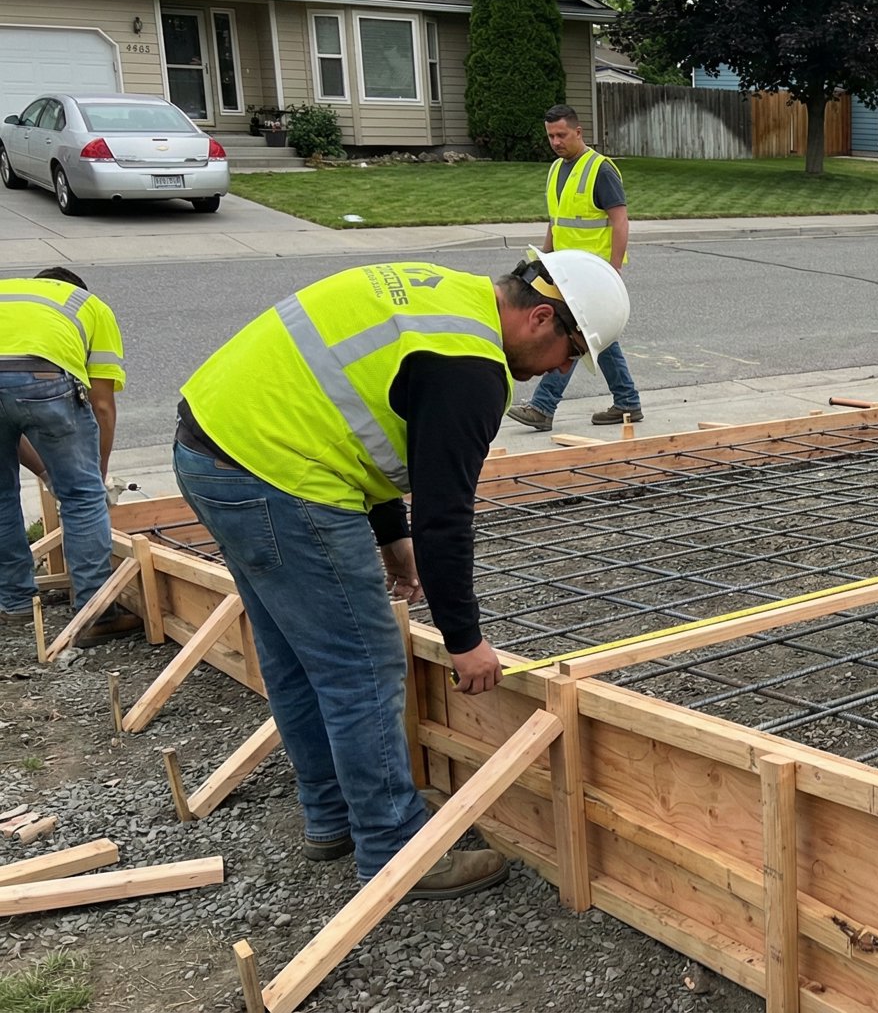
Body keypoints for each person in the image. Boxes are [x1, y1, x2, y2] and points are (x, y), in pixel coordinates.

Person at [172, 251, 629, 897]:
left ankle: (332, 817)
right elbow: (447, 516)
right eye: (568, 352)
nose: (558, 370)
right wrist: (464, 638)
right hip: (277, 473)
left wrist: (392, 537)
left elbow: (353, 415)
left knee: (300, 655)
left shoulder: (446, 298)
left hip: (213, 446)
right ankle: (395, 849)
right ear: (542, 316)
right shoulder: (473, 368)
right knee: (362, 664)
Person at [0, 266, 141, 645]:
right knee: (82, 497)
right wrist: (98, 475)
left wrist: (47, 472)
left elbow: (9, 419)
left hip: (20, 381)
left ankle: (14, 603)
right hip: (41, 379)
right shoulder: (89, 305)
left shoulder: (9, 295)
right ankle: (94, 613)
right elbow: (102, 405)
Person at [505, 104, 642, 433]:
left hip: (592, 276)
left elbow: (619, 221)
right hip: (566, 273)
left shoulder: (600, 170)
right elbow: (557, 220)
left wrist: (613, 270)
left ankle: (542, 406)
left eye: (562, 135)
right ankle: (627, 402)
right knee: (598, 339)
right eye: (551, 135)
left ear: (578, 132)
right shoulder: (555, 169)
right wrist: (544, 258)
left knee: (568, 337)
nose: (555, 141)